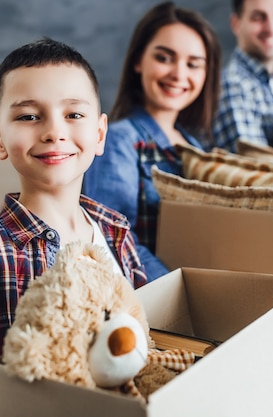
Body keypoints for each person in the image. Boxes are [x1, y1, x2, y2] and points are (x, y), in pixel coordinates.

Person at [0, 38, 148, 417]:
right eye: (29, 116)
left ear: (99, 134)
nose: (53, 131)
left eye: (74, 115)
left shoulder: (116, 232)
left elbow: (145, 347)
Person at [84, 1, 221, 280]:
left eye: (193, 64)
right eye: (164, 58)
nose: (179, 74)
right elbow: (112, 239)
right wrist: (179, 290)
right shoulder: (119, 141)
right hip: (154, 299)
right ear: (138, 61)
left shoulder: (195, 146)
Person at [213, 0, 273, 152]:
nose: (271, 28)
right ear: (236, 23)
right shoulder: (234, 86)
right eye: (258, 17)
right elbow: (254, 170)